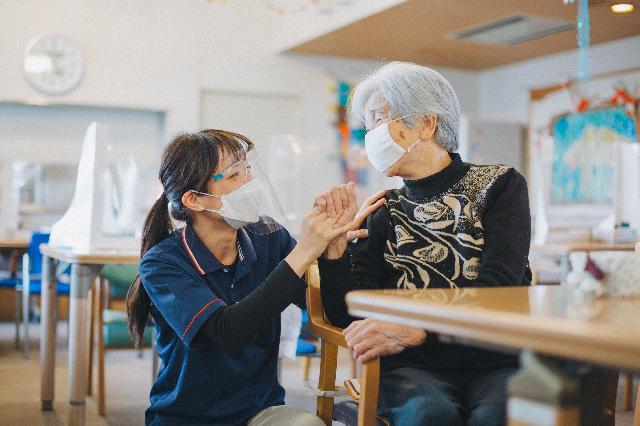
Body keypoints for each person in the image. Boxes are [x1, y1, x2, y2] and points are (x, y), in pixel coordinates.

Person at [316, 62, 532, 426]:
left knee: (497, 416)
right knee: (432, 415)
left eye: (379, 120)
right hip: (411, 367)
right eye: (368, 127)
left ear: (427, 124)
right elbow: (349, 314)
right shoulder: (383, 209)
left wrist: (419, 331)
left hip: (494, 357)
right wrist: (334, 253)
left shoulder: (500, 186)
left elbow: (500, 288)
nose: (371, 137)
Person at [126, 129, 347, 425]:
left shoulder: (269, 238)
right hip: (187, 417)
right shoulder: (163, 263)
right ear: (194, 199)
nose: (250, 183)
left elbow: (331, 312)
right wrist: (303, 252)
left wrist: (333, 257)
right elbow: (228, 332)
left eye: (247, 170)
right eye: (233, 176)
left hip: (259, 412)